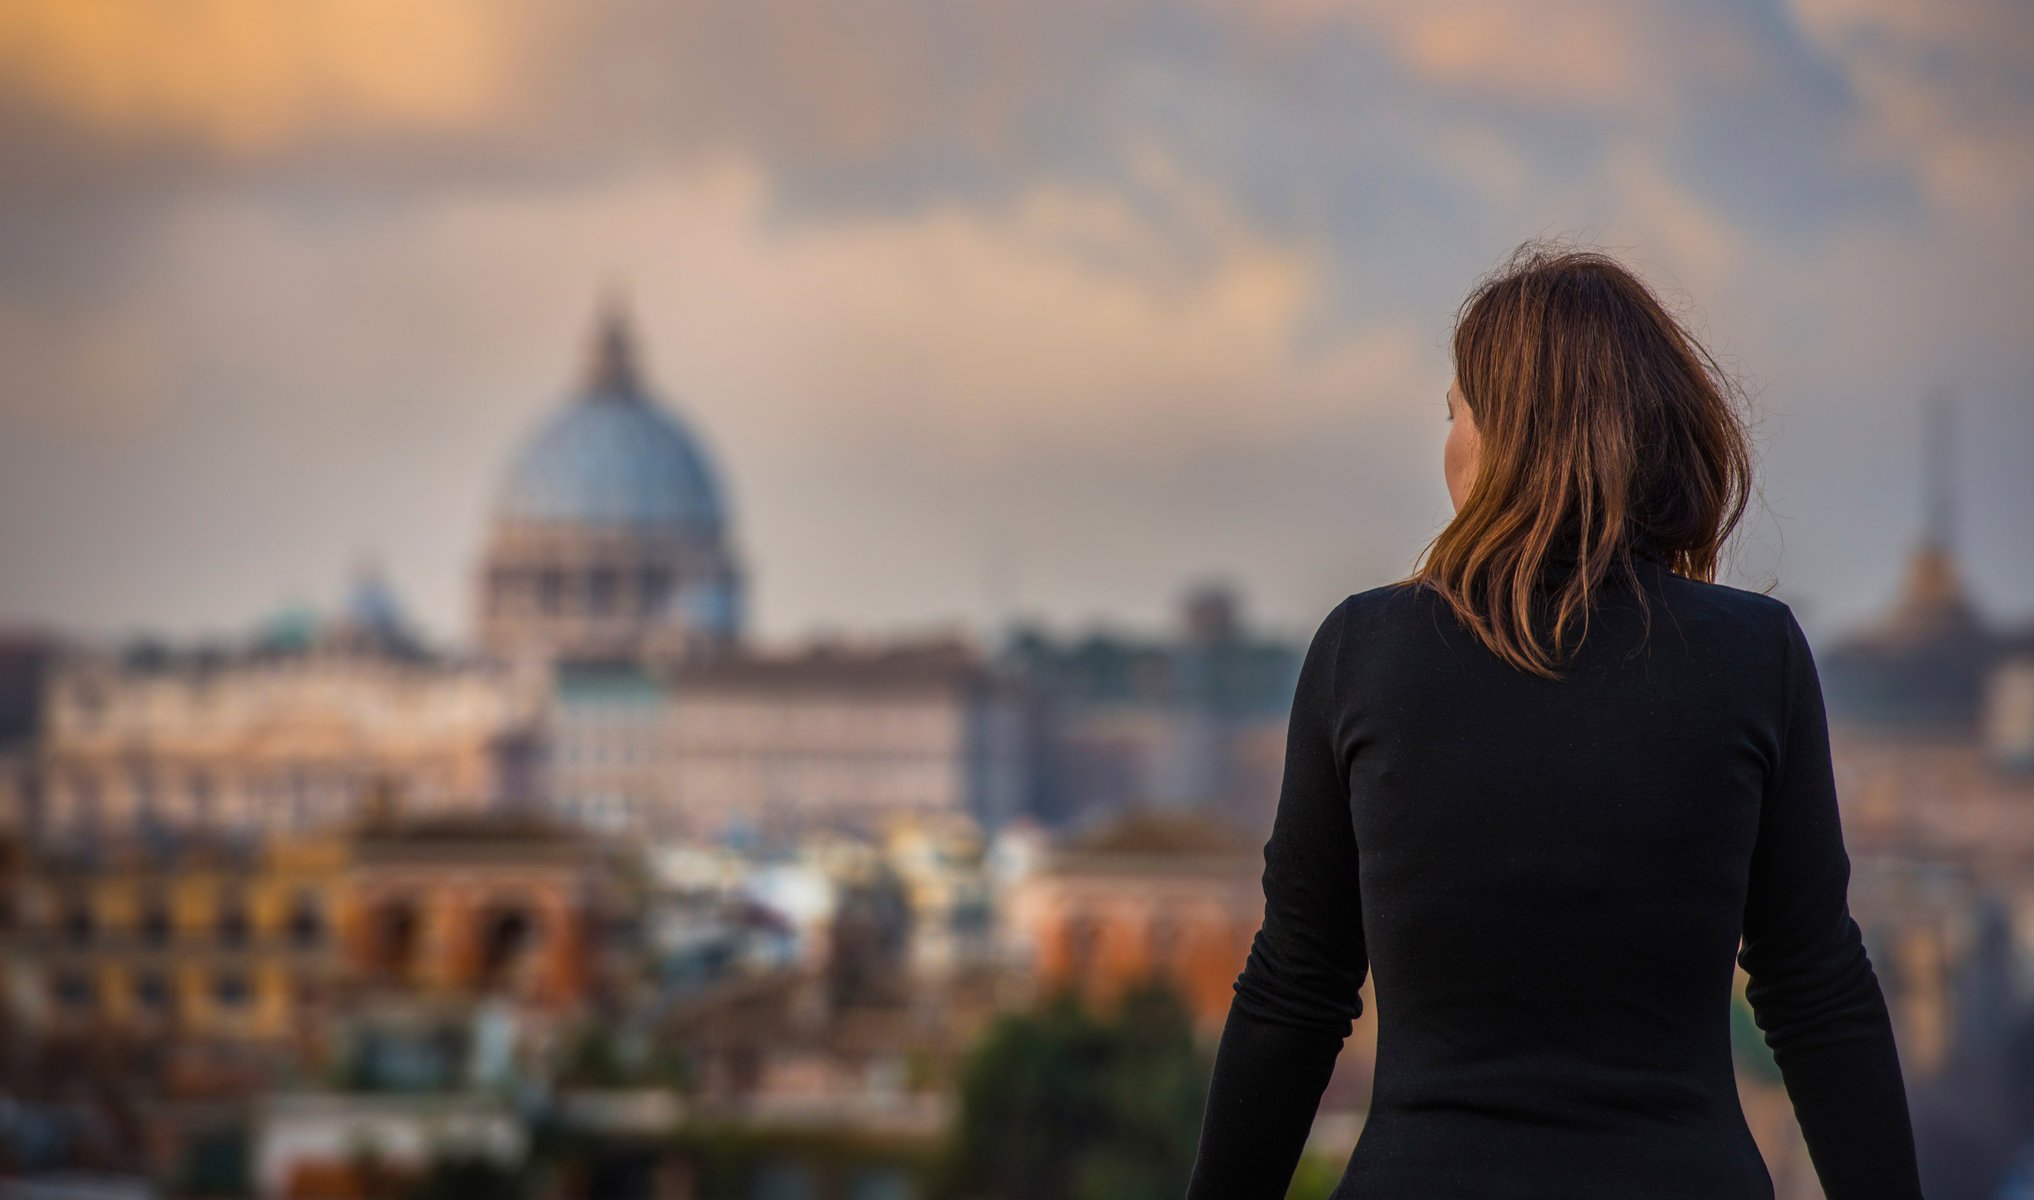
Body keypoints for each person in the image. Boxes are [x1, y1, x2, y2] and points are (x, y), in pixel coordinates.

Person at [1183, 240, 1924, 1199]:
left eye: (1456, 414)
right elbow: (1815, 990)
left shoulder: (1365, 650)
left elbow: (1297, 990)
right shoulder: (1755, 656)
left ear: (1507, 437)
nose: (1446, 445)